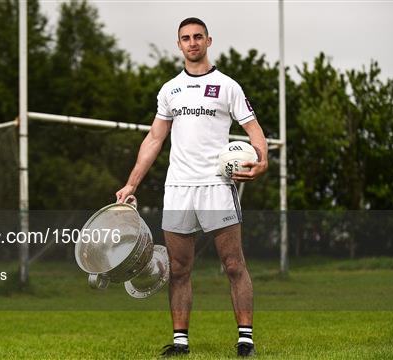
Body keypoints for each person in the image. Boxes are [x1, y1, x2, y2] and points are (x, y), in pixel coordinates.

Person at [116, 17, 268, 358]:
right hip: (179, 188)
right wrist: (130, 183)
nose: (192, 42)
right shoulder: (170, 90)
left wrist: (263, 160)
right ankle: (180, 342)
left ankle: (246, 339)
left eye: (198, 36)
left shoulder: (228, 86)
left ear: (208, 40)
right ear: (179, 44)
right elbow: (155, 138)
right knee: (180, 267)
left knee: (233, 265)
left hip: (216, 185)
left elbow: (254, 129)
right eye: (186, 38)